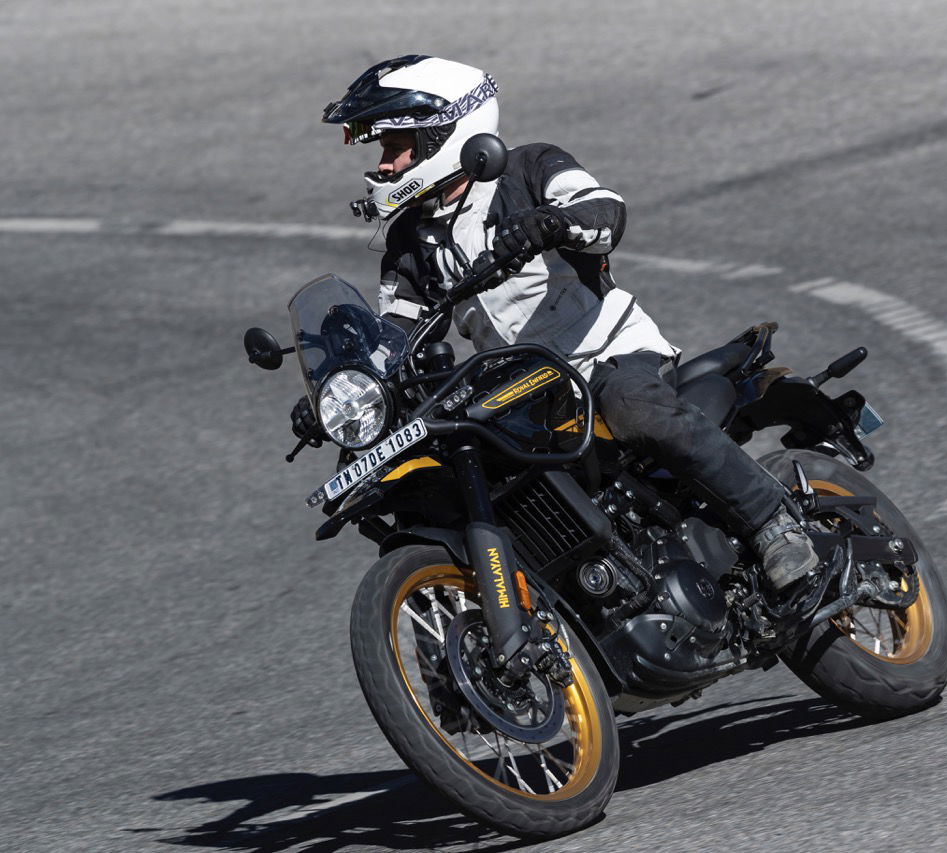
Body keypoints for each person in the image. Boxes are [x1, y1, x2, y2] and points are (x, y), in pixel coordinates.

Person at [308, 54, 817, 590]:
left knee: (632, 405)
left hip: (603, 353)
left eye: (392, 148)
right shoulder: (409, 241)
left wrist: (552, 223)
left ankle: (773, 524)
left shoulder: (529, 168)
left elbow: (604, 211)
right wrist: (339, 388)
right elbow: (396, 333)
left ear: (442, 134)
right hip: (521, 390)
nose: (382, 167)